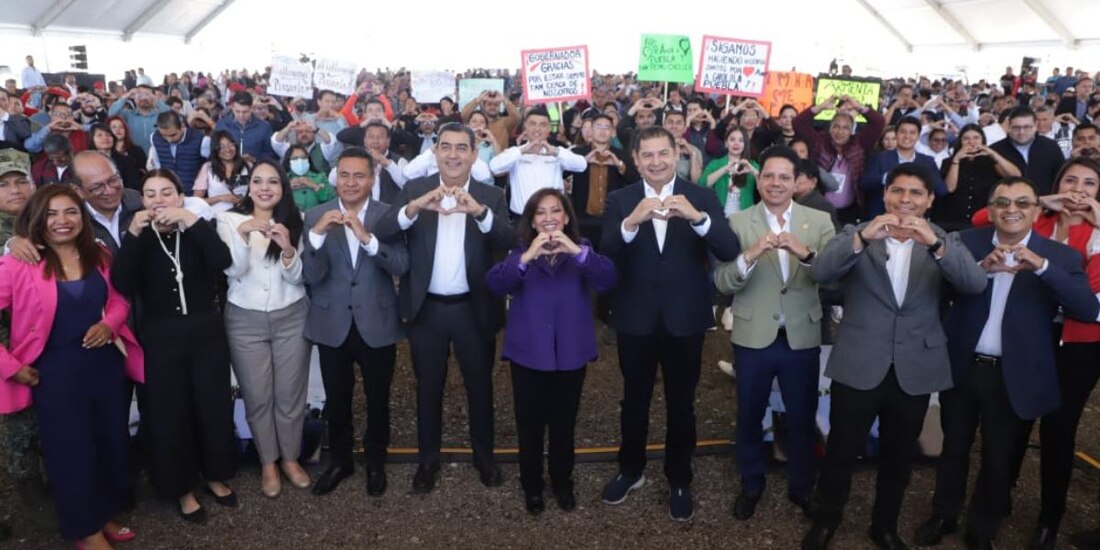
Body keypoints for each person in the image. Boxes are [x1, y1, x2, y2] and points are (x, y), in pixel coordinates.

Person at [802, 164, 987, 550]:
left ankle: (883, 526)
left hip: (915, 367)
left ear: (930, 199)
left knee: (898, 457)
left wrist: (935, 245)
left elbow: (973, 283)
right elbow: (821, 272)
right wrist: (863, 238)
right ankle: (826, 520)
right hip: (859, 361)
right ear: (884, 195)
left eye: (916, 193)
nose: (905, 200)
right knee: (840, 450)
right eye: (898, 191)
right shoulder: (857, 233)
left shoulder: (944, 239)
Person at [913, 176, 1098, 549]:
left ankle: (982, 528)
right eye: (1002, 202)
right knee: (954, 448)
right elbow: (937, 289)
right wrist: (978, 269)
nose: (1011, 209)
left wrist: (1043, 267)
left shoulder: (1059, 256)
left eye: (1022, 203)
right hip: (963, 366)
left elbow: (1087, 308)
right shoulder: (966, 241)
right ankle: (944, 514)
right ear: (992, 209)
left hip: (1013, 374)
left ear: (1036, 210)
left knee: (999, 457)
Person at [598, 126, 740, 521]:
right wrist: (631, 223)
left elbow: (728, 248)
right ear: (636, 158)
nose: (656, 162)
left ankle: (679, 478)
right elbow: (605, 255)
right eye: (648, 155)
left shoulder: (700, 195)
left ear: (676, 152)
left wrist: (697, 219)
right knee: (634, 401)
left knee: (682, 404)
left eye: (663, 154)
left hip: (685, 319)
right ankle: (631, 470)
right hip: (636, 317)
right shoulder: (621, 198)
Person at [0, 184, 143, 549]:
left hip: (104, 367)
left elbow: (119, 301)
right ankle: (85, 529)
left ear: (83, 217)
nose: (62, 221)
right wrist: (9, 366)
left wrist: (109, 324)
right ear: (37, 219)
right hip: (54, 373)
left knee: (110, 442)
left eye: (71, 212)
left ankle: (104, 511)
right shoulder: (20, 262)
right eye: (51, 214)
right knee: (71, 451)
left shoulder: (98, 254)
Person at [374, 122, 512, 494]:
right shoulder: (416, 189)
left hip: (473, 309)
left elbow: (509, 238)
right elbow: (385, 229)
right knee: (428, 388)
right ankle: (427, 462)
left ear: (473, 153)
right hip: (428, 310)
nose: (453, 155)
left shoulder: (490, 195)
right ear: (435, 153)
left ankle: (485, 458)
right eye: (446, 147)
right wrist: (415, 207)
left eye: (461, 148)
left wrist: (479, 212)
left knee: (480, 388)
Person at [715, 146, 835, 521]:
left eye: (785, 176)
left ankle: (802, 487)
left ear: (798, 181)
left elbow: (833, 276)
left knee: (802, 416)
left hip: (801, 335)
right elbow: (721, 280)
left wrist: (806, 254)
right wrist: (749, 255)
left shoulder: (819, 221)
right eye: (768, 175)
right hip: (753, 336)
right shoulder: (738, 222)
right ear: (758, 178)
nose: (776, 183)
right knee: (749, 413)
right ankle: (752, 482)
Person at [110, 170, 237, 523]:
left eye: (167, 192)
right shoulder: (138, 237)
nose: (159, 200)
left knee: (212, 404)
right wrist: (134, 234)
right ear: (142, 201)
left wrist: (191, 220)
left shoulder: (196, 229)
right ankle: (181, 487)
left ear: (181, 197)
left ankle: (215, 472)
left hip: (205, 330)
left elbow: (221, 261)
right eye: (150, 194)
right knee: (169, 412)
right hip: (160, 336)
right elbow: (122, 281)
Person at [486, 188, 616, 515]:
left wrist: (575, 251)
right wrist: (527, 256)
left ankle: (562, 481)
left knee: (564, 423)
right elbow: (495, 284)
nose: (548, 219)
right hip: (527, 354)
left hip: (570, 354)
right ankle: (531, 485)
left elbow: (607, 279)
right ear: (531, 221)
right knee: (528, 426)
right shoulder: (520, 252)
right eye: (540, 213)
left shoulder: (581, 250)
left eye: (555, 211)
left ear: (566, 217)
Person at [301, 147, 409, 497]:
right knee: (337, 396)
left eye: (359, 175)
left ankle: (376, 459)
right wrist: (316, 235)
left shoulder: (387, 215)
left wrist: (369, 239)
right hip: (332, 321)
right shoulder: (316, 214)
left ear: (372, 179)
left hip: (376, 320)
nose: (350, 182)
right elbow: (311, 275)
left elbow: (401, 265)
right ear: (336, 178)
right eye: (344, 175)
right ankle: (341, 460)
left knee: (378, 397)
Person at [215, 160, 311, 498]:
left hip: (292, 315)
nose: (265, 187)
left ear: (283, 187)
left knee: (290, 394)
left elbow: (297, 278)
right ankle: (268, 462)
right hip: (244, 318)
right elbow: (233, 270)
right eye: (258, 181)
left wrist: (287, 249)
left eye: (273, 181)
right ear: (249, 186)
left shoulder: (295, 218)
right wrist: (243, 235)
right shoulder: (228, 219)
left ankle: (290, 458)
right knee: (257, 396)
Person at [794, 95, 886, 224]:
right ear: (830, 128)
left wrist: (858, 107)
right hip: (819, 208)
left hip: (850, 211)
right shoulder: (819, 142)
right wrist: (821, 106)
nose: (840, 132)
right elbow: (798, 123)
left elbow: (879, 122)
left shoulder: (860, 143)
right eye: (836, 126)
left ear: (852, 130)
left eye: (845, 128)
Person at [490, 106, 587, 217]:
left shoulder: (558, 152)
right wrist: (522, 151)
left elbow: (582, 165)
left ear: (549, 128)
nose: (537, 129)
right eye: (532, 124)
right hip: (522, 217)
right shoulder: (515, 152)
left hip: (552, 217)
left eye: (543, 125)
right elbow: (494, 167)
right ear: (525, 126)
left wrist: (556, 152)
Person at [934, 124, 1020, 232]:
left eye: (976, 138)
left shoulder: (991, 161)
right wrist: (956, 160)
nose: (971, 142)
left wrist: (992, 153)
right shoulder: (948, 161)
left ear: (982, 140)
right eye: (966, 138)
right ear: (960, 141)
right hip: (954, 220)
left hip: (983, 220)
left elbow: (1016, 176)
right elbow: (950, 188)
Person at [861, 117, 947, 217]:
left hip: (914, 220)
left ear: (918, 136)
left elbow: (941, 190)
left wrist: (923, 179)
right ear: (896, 134)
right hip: (882, 216)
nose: (907, 136)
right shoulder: (880, 157)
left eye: (912, 133)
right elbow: (865, 183)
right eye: (903, 132)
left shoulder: (928, 162)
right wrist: (888, 177)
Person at [989, 107, 1065, 195]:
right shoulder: (996, 150)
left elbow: (1060, 177)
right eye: (1016, 127)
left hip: (1046, 205)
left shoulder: (1051, 147)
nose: (1021, 132)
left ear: (1035, 126)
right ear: (1009, 126)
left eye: (1027, 127)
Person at [147, 111, 213, 195]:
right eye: (164, 135)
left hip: (194, 194)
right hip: (168, 193)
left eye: (173, 135)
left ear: (182, 126)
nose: (169, 140)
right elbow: (157, 164)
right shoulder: (154, 138)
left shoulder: (202, 140)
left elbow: (208, 168)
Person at [700, 126, 760, 218]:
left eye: (741, 140)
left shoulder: (751, 165)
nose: (736, 143)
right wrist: (724, 170)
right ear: (726, 143)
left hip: (745, 218)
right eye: (732, 140)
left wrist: (752, 171)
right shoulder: (716, 163)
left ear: (745, 144)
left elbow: (765, 186)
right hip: (720, 216)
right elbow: (702, 184)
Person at [193, 130, 247, 212]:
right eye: (222, 147)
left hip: (244, 216)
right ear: (215, 149)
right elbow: (196, 202)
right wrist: (220, 198)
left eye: (230, 144)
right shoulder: (208, 168)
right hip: (217, 218)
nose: (228, 149)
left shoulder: (247, 165)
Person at [214, 91, 275, 163]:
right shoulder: (221, 125)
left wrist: (254, 160)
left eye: (245, 112)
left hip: (253, 170)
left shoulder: (264, 127)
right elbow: (214, 150)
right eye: (237, 111)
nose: (241, 115)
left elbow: (269, 154)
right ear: (232, 108)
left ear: (252, 108)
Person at [106, 85, 170, 153]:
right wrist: (127, 95)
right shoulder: (128, 114)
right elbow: (111, 113)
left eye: (147, 94)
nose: (144, 98)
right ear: (134, 97)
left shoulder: (159, 115)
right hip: (135, 156)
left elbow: (170, 114)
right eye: (140, 94)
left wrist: (156, 99)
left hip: (157, 155)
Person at [89, 123, 144, 192]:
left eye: (108, 135)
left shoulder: (126, 161)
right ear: (92, 139)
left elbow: (134, 186)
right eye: (99, 135)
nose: (105, 138)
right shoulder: (87, 163)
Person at [283, 144, 335, 210]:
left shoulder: (320, 176)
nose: (300, 161)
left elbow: (332, 200)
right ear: (288, 161)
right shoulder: (282, 179)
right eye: (295, 158)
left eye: (303, 157)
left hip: (317, 218)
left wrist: (315, 186)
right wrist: (286, 188)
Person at [106, 117, 148, 191]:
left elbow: (144, 171)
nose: (117, 130)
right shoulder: (106, 151)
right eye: (114, 127)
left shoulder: (137, 150)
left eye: (121, 127)